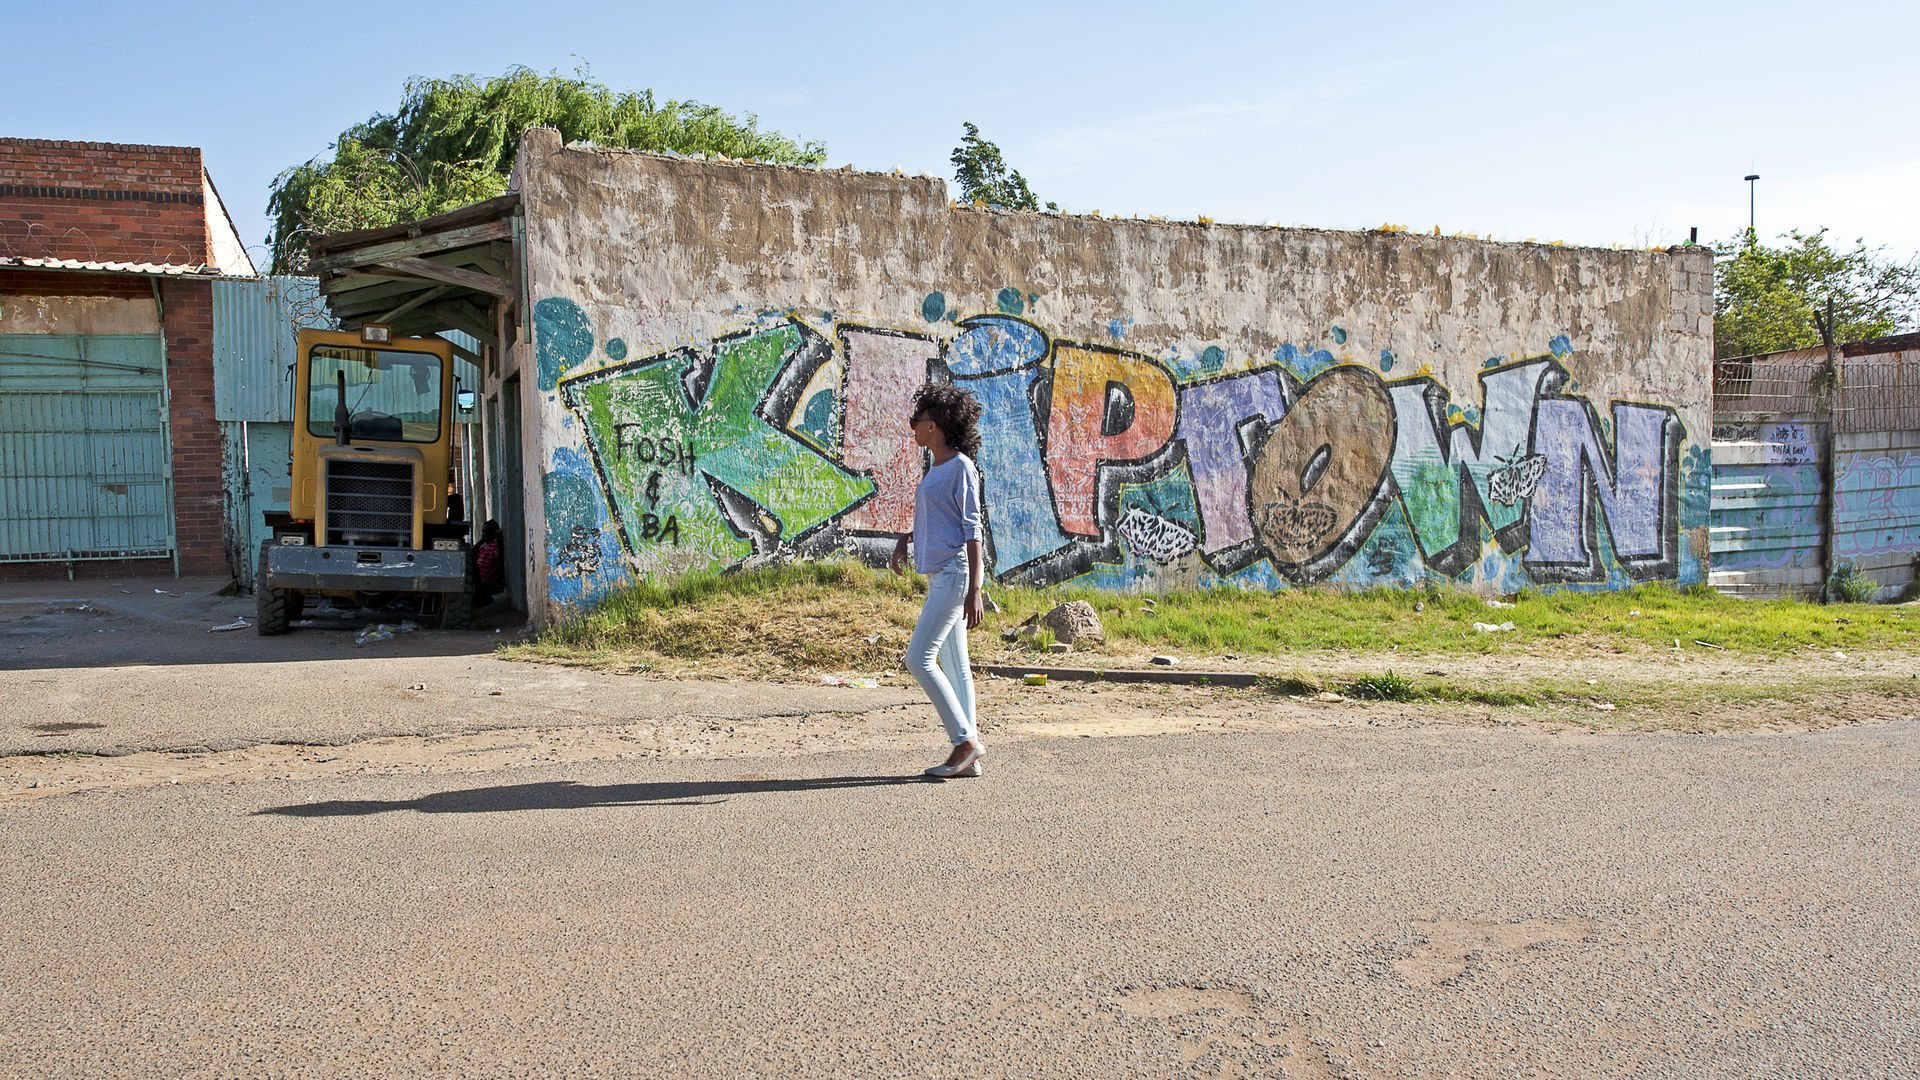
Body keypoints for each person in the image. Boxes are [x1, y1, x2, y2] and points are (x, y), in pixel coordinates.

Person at [891, 384, 988, 779]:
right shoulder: (937, 467)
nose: (911, 426)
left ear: (933, 426)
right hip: (940, 575)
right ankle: (969, 755)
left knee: (918, 659)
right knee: (955, 664)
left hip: (954, 574)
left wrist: (975, 589)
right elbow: (941, 520)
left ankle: (964, 742)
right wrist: (905, 539)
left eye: (916, 421)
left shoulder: (961, 467)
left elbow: (972, 529)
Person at [474, 520, 505, 606]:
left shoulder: (495, 546)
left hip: (489, 582)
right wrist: (482, 540)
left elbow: (500, 561)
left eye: (486, 531)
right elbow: (471, 554)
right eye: (483, 531)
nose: (484, 534)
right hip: (481, 581)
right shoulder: (484, 547)